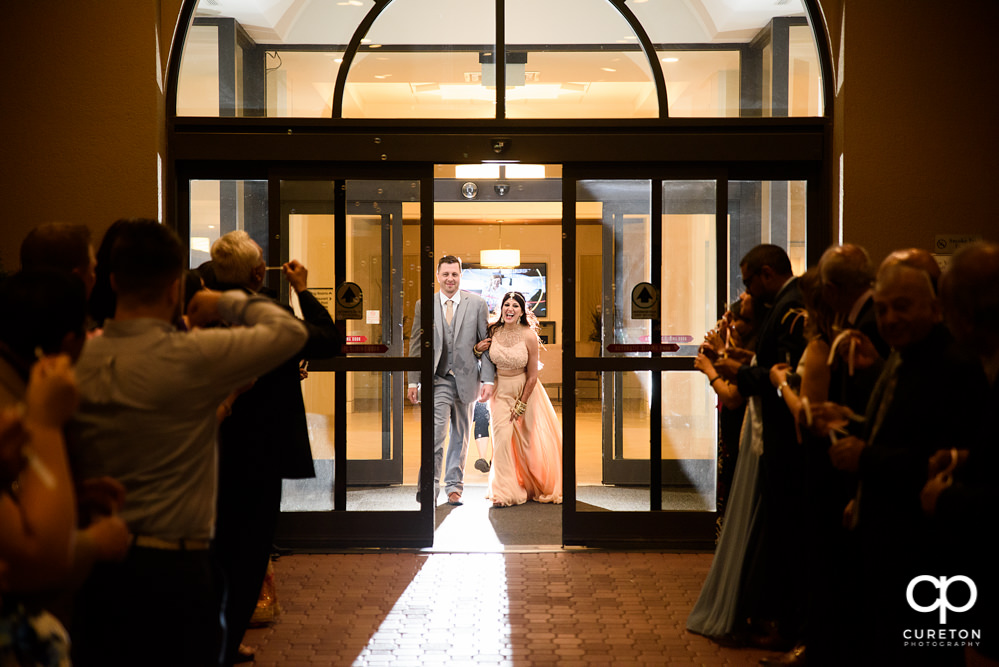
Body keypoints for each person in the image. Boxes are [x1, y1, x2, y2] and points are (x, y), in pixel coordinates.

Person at [67, 219, 308, 667]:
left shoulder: (76, 359)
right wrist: (225, 301)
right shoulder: (193, 357)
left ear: (112, 280)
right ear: (177, 285)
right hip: (177, 569)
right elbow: (290, 332)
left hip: (98, 566)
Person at [827, 260, 987, 664]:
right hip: (887, 541)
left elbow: (943, 461)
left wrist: (865, 457)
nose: (889, 318)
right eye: (881, 309)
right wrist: (852, 425)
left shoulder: (954, 365)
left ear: (935, 309)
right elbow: (899, 430)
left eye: (902, 306)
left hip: (928, 549)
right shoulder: (901, 356)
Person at [208, 230, 342, 667]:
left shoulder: (202, 311)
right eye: (261, 260)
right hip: (261, 447)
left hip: (213, 445)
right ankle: (224, 646)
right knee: (249, 550)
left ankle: (217, 637)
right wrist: (303, 289)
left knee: (219, 544)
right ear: (253, 272)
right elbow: (327, 339)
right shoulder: (268, 311)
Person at [712, 244, 808, 650]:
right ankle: (778, 618)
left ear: (767, 274)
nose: (746, 289)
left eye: (749, 280)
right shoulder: (785, 304)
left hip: (781, 437)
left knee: (781, 534)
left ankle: (786, 626)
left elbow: (778, 373)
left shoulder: (789, 310)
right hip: (767, 429)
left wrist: (738, 370)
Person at [407, 255, 495, 506]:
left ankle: (454, 488)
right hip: (438, 379)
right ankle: (429, 488)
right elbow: (416, 344)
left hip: (468, 380)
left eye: (454, 274)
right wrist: (413, 382)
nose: (450, 279)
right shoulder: (424, 304)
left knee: (461, 435)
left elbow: (486, 346)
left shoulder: (477, 304)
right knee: (435, 434)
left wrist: (487, 379)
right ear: (437, 276)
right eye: (445, 274)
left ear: (460, 276)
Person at [475, 291, 562, 507]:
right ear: (501, 308)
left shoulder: (529, 336)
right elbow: (482, 359)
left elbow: (532, 375)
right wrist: (477, 350)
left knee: (527, 443)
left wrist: (522, 404)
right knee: (502, 441)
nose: (510, 309)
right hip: (500, 392)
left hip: (526, 391)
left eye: (515, 305)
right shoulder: (492, 331)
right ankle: (504, 493)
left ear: (522, 311)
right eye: (506, 305)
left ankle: (532, 484)